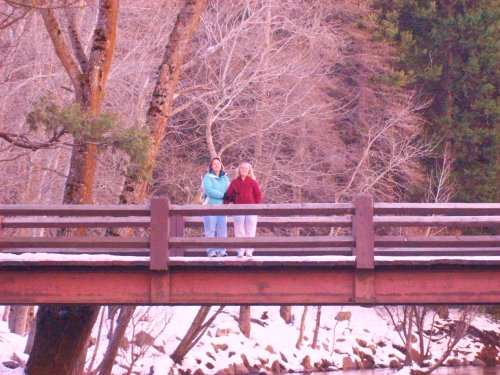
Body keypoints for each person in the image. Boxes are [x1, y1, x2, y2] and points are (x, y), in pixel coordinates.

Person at [223, 162, 262, 257]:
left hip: (251, 209)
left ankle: (249, 251)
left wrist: (257, 207)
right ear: (239, 170)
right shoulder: (234, 182)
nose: (244, 170)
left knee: (250, 230)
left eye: (246, 168)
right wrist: (225, 204)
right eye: (242, 168)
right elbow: (228, 195)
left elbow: (258, 195)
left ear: (249, 170)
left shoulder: (253, 182)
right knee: (239, 230)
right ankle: (240, 251)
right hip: (238, 209)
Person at [202, 157, 231, 257]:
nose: (216, 166)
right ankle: (211, 251)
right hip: (210, 205)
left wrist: (229, 197)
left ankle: (221, 250)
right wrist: (223, 195)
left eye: (218, 164)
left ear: (221, 165)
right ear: (211, 166)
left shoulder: (225, 178)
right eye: (214, 164)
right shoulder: (207, 177)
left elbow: (230, 190)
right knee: (210, 229)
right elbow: (209, 191)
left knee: (222, 229)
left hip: (222, 207)